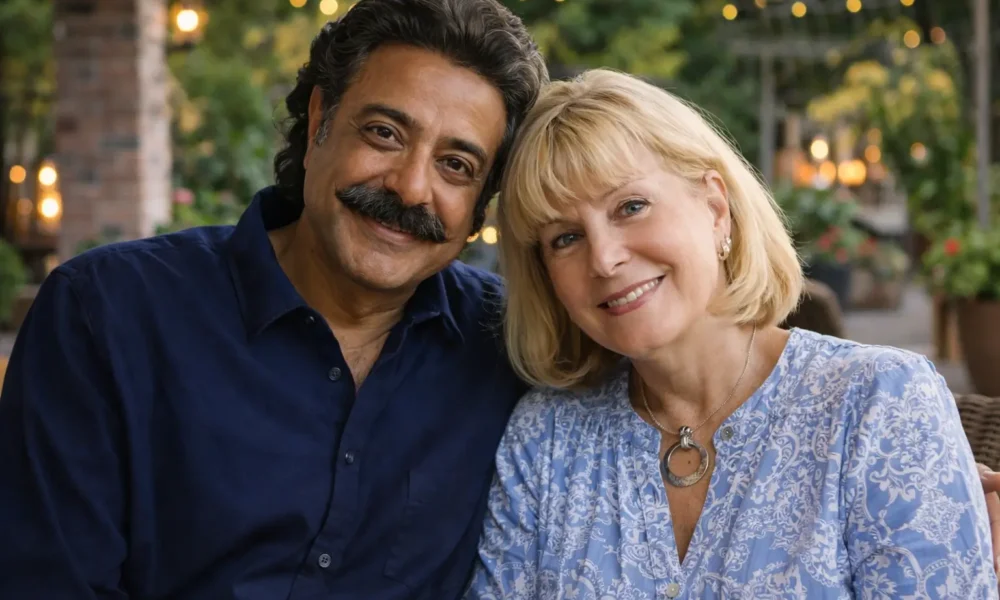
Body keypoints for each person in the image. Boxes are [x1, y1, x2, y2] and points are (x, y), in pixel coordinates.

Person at [0, 1, 546, 598]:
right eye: (384, 133)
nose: (412, 186)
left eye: (456, 165)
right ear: (318, 123)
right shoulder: (104, 315)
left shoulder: (514, 346)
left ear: (481, 206)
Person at [464, 69, 999, 598]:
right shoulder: (544, 440)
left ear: (716, 209)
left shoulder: (880, 404)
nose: (604, 258)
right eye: (565, 238)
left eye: (631, 207)